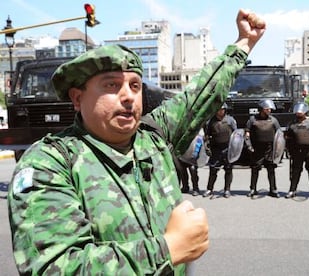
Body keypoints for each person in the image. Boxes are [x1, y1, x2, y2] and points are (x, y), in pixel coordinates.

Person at [7, 9, 266, 275]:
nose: (128, 96)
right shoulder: (50, 163)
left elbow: (200, 94)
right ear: (77, 98)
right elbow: (55, 267)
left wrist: (243, 44)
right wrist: (168, 249)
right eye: (111, 85)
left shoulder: (153, 137)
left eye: (134, 85)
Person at [245, 99, 281, 198]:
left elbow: (279, 135)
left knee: (271, 169)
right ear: (261, 109)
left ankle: (273, 189)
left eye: (270, 109)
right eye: (267, 109)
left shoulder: (273, 120)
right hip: (257, 149)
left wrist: (279, 149)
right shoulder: (252, 120)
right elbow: (247, 134)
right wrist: (249, 145)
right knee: (255, 169)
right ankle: (253, 189)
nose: (269, 110)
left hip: (270, 149)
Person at [285, 102, 309, 199]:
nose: (299, 113)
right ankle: (292, 190)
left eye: (300, 112)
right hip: (297, 151)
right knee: (295, 171)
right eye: (297, 112)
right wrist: (288, 150)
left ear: (305, 112)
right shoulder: (292, 124)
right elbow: (287, 139)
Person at [203, 103, 237, 198]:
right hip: (216, 149)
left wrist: (235, 148)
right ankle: (209, 189)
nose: (220, 111)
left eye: (222, 109)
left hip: (228, 149)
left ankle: (227, 189)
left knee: (228, 169)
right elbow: (206, 136)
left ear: (225, 110)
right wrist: (207, 147)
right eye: (218, 109)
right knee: (213, 170)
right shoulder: (210, 121)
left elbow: (236, 134)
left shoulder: (230, 120)